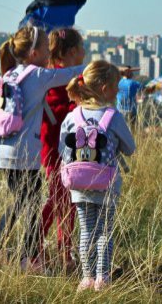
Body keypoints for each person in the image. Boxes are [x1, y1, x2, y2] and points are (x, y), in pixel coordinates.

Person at [0, 26, 87, 272]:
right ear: (33, 53)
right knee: (30, 202)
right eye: (43, 49)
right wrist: (100, 69)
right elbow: (72, 73)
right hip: (25, 153)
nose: (47, 53)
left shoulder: (9, 75)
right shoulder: (38, 75)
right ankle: (29, 258)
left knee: (20, 201)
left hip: (3, 151)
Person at [60, 60, 136, 291]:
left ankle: (86, 277)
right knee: (104, 231)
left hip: (78, 184)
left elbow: (62, 149)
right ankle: (103, 278)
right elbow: (130, 149)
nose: (117, 91)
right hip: (106, 184)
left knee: (86, 230)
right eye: (116, 86)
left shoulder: (73, 116)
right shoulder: (113, 117)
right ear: (105, 89)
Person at [40, 27, 85, 271]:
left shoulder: (51, 76)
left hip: (55, 149)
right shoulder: (61, 80)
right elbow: (62, 113)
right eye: (82, 49)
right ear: (71, 52)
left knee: (64, 202)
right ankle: (38, 244)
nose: (85, 53)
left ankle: (62, 252)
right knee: (61, 202)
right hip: (60, 150)